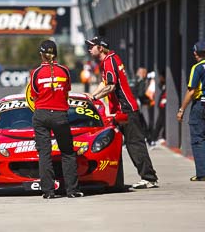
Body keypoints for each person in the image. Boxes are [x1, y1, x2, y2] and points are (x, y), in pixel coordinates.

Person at [85, 36, 159, 189]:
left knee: (135, 144)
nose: (89, 49)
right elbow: (104, 83)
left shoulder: (109, 61)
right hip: (119, 111)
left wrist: (95, 97)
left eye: (91, 46)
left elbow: (111, 86)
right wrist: (92, 96)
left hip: (126, 109)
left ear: (100, 47)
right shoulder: (109, 60)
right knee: (118, 142)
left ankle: (149, 178)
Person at [30, 39, 83, 199]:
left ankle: (48, 192)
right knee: (67, 153)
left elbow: (34, 96)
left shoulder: (35, 73)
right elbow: (66, 92)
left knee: (44, 154)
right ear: (56, 54)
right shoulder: (65, 71)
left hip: (41, 115)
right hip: (60, 115)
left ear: (41, 55)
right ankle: (72, 191)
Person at [176, 41, 205, 181]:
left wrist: (182, 109)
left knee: (198, 139)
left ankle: (202, 173)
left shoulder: (197, 68)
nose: (194, 53)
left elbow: (191, 91)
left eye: (195, 51)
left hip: (201, 105)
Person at [150, 71, 166, 147]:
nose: (159, 78)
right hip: (161, 107)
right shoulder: (162, 85)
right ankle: (154, 138)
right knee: (159, 123)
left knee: (160, 123)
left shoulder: (166, 86)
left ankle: (156, 138)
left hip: (164, 107)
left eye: (161, 77)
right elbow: (160, 85)